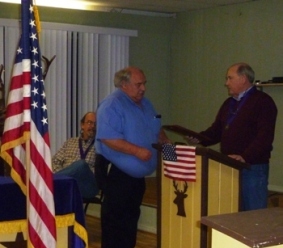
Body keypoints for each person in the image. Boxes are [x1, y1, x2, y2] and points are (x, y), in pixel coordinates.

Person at [95, 66, 170, 248]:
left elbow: (156, 129)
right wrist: (137, 151)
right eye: (138, 84)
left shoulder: (146, 103)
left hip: (136, 179)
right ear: (124, 84)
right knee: (115, 224)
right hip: (117, 175)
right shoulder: (112, 105)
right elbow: (108, 138)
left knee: (130, 222)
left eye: (144, 83)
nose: (143, 88)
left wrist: (171, 151)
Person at [187, 62, 277, 211]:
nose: (226, 83)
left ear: (243, 79)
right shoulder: (229, 103)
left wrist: (244, 156)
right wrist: (199, 138)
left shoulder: (263, 101)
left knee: (254, 215)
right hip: (229, 167)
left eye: (230, 78)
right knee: (232, 213)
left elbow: (265, 137)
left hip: (252, 168)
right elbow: (216, 131)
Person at [52, 112, 99, 200]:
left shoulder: (100, 146)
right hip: (69, 183)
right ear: (82, 125)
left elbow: (100, 172)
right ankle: (58, 181)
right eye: (89, 123)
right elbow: (55, 161)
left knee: (81, 165)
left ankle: (50, 182)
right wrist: (65, 176)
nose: (93, 126)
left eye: (95, 124)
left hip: (87, 186)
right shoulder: (70, 142)